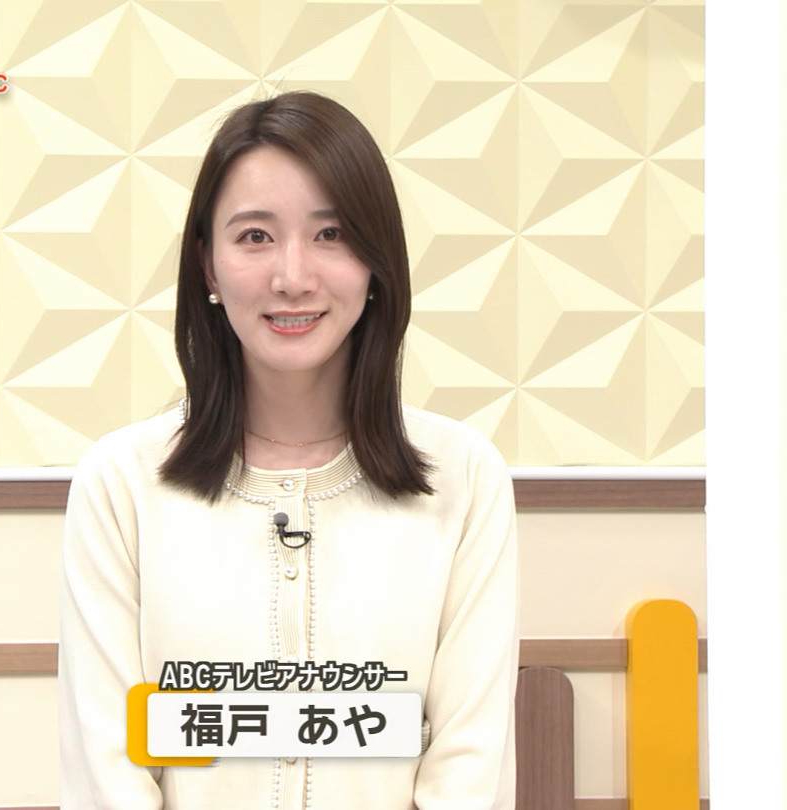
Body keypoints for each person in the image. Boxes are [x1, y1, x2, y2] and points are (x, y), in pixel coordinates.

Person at [58, 91, 519, 809]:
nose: (293, 277)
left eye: (331, 234)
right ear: (208, 268)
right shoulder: (120, 484)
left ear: (376, 262)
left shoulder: (463, 478)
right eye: (255, 236)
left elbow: (468, 768)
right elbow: (108, 772)